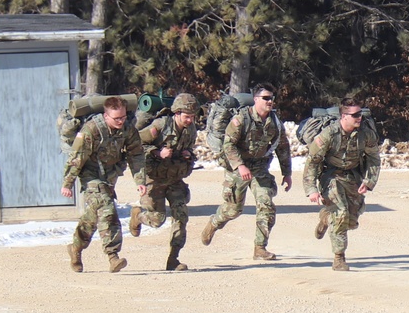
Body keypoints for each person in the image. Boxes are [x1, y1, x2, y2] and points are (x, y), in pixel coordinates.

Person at [200, 83, 292, 260]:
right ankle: (214, 222)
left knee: (266, 204)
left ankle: (260, 248)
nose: (270, 101)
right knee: (233, 209)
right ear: (256, 99)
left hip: (259, 167)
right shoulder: (241, 119)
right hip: (238, 166)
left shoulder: (274, 122)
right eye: (266, 98)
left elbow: (283, 147)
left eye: (271, 98)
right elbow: (228, 144)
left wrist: (286, 173)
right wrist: (240, 166)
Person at [62, 96, 147, 273]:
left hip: (109, 175)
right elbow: (77, 158)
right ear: (106, 115)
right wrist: (67, 183)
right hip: (89, 174)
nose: (121, 121)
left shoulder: (127, 129)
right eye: (116, 118)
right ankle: (113, 256)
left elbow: (136, 155)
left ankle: (75, 248)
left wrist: (140, 181)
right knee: (107, 208)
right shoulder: (92, 129)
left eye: (123, 117)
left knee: (93, 217)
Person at [303, 97, 381, 271]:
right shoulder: (329, 134)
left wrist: (369, 181)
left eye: (360, 114)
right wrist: (311, 189)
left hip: (353, 177)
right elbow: (313, 161)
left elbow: (374, 159)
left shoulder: (366, 134)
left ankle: (326, 218)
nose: (359, 118)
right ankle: (339, 257)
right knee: (341, 214)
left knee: (351, 221)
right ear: (344, 116)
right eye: (355, 115)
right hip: (330, 177)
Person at [129, 93, 200, 271]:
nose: (190, 120)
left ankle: (173, 258)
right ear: (176, 113)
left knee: (181, 216)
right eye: (186, 116)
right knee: (157, 219)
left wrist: (188, 155)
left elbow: (189, 148)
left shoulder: (190, 129)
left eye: (192, 116)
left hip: (174, 178)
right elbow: (136, 145)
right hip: (154, 178)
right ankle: (138, 216)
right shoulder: (160, 126)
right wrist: (156, 152)